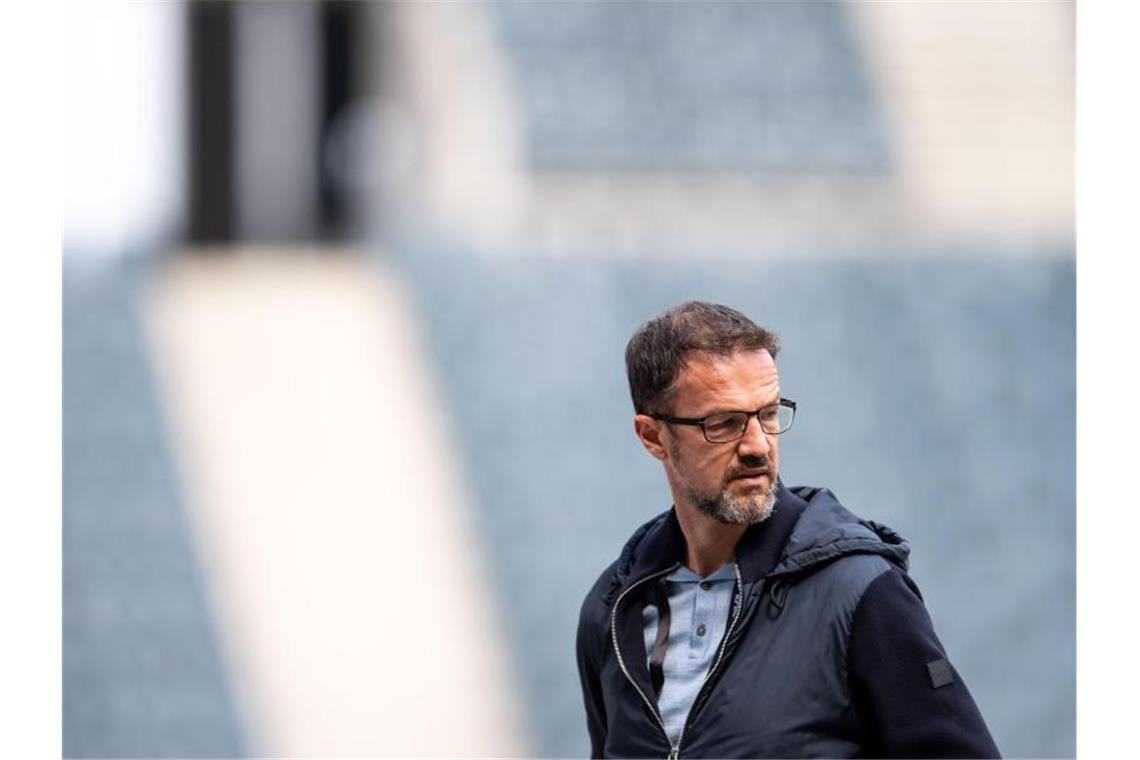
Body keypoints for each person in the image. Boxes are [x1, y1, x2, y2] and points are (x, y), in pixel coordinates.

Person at [576, 301, 1000, 759]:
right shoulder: (611, 612)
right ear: (653, 436)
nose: (758, 446)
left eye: (769, 415)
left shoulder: (861, 593)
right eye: (725, 424)